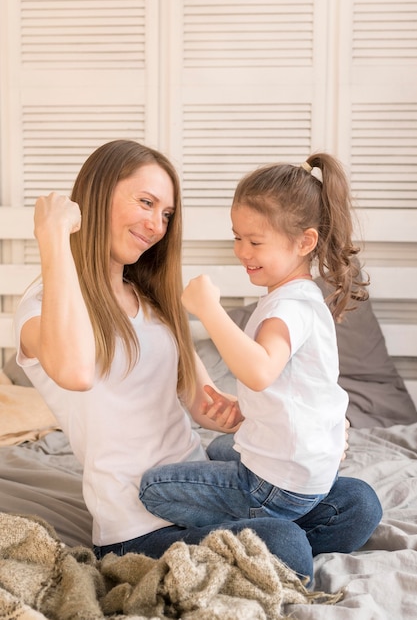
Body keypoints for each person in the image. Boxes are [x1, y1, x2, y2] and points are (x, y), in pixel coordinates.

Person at [14, 141, 381, 587]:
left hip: (196, 486)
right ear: (97, 195)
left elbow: (206, 406)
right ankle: (270, 544)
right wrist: (52, 236)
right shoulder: (44, 307)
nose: (156, 225)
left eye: (166, 214)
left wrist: (298, 431)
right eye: (146, 203)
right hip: (137, 525)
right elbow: (74, 371)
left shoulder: (152, 302)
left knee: (358, 503)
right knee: (286, 546)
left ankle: (259, 540)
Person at [139, 152, 382, 536]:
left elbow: (259, 370)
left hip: (277, 484)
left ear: (305, 242)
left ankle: (264, 530)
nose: (241, 252)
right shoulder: (302, 296)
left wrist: (208, 310)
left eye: (255, 241)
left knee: (153, 488)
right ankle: (291, 524)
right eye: (237, 237)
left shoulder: (288, 306)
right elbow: (289, 387)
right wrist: (249, 409)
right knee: (220, 449)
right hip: (311, 476)